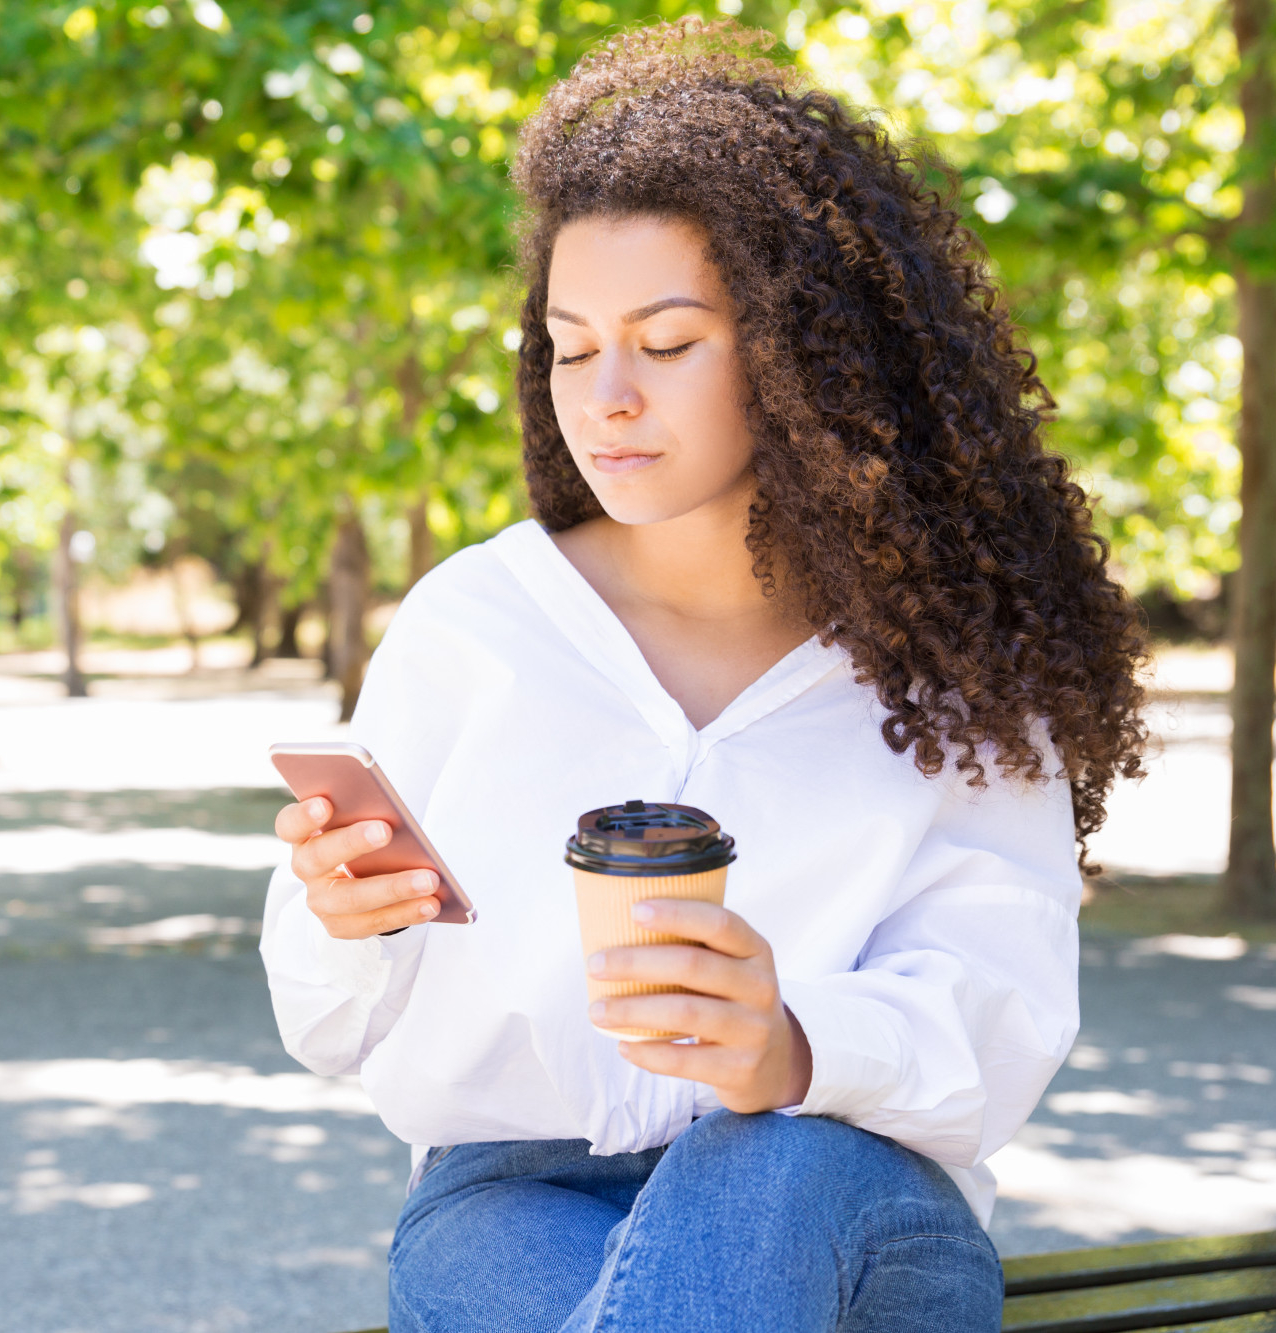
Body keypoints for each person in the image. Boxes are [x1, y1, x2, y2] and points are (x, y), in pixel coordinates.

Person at [261, 18, 1147, 1333]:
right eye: (572, 344)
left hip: (846, 1187)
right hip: (510, 1193)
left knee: (763, 1156)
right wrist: (341, 918)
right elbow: (330, 1028)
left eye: (666, 342)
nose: (606, 393)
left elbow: (1000, 1015)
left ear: (803, 353)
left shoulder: (951, 664)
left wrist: (792, 1043)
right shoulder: (477, 624)